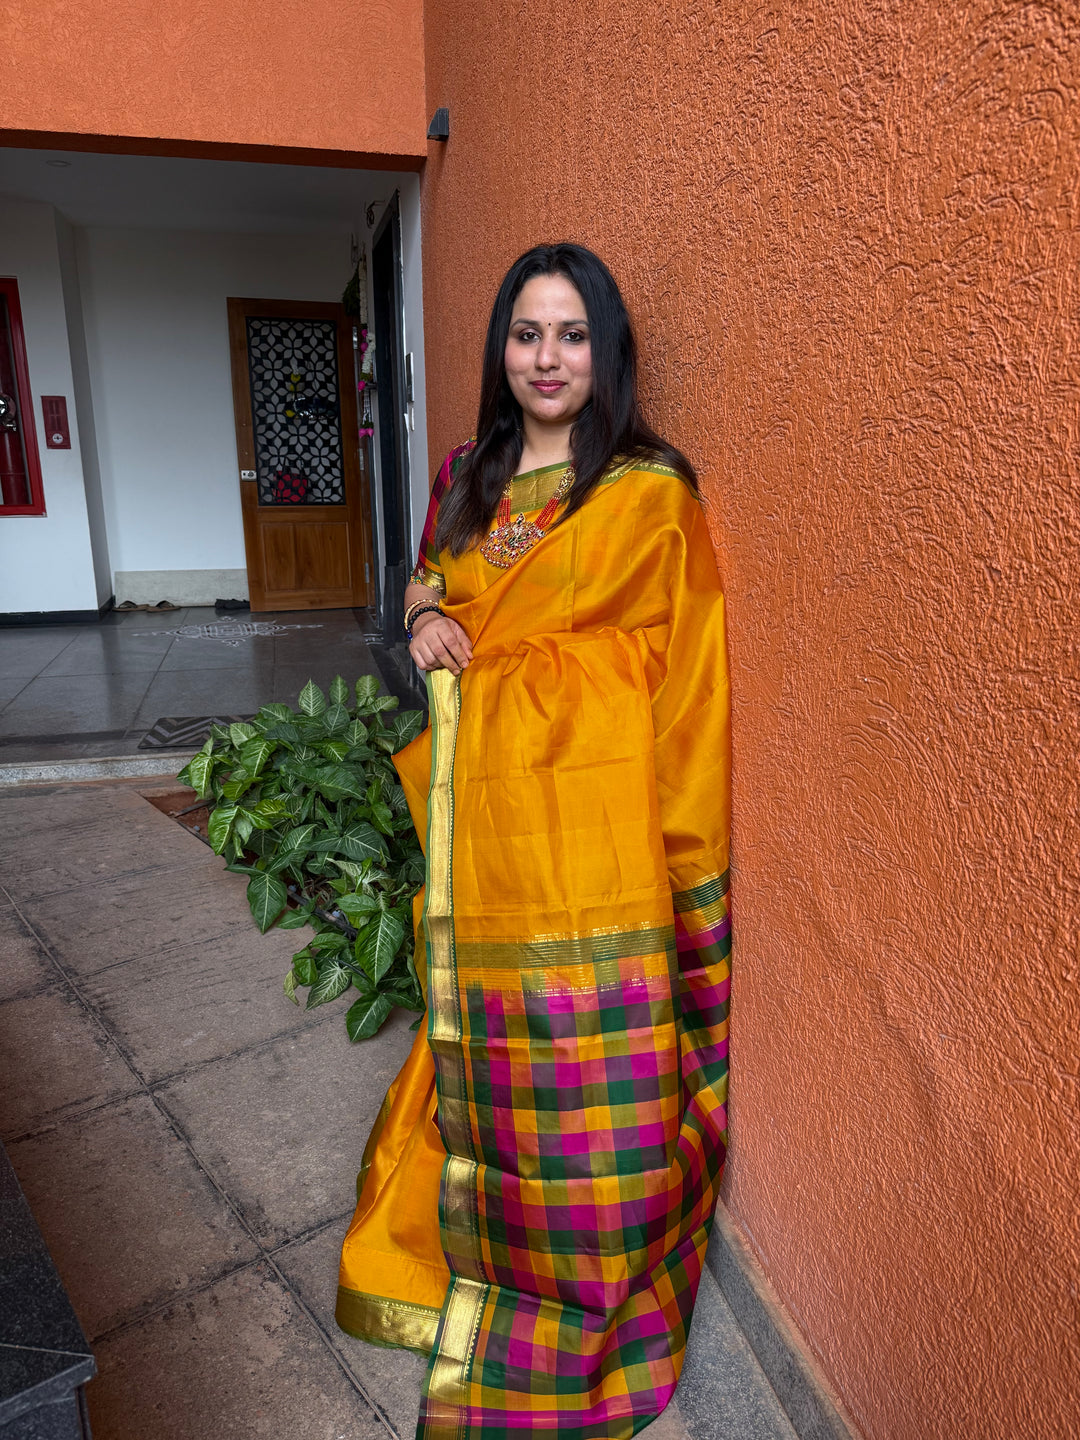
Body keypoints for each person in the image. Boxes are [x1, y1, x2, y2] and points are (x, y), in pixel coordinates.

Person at [336, 243, 731, 1440]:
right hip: (485, 853)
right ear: (499, 350)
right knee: (486, 1084)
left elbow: (686, 686)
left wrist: (683, 873)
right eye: (526, 334)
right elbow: (426, 589)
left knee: (588, 1102)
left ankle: (580, 1322)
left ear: (606, 353)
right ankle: (479, 1270)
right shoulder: (472, 476)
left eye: (571, 336)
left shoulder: (649, 494)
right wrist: (424, 617)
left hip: (596, 861)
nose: (547, 359)